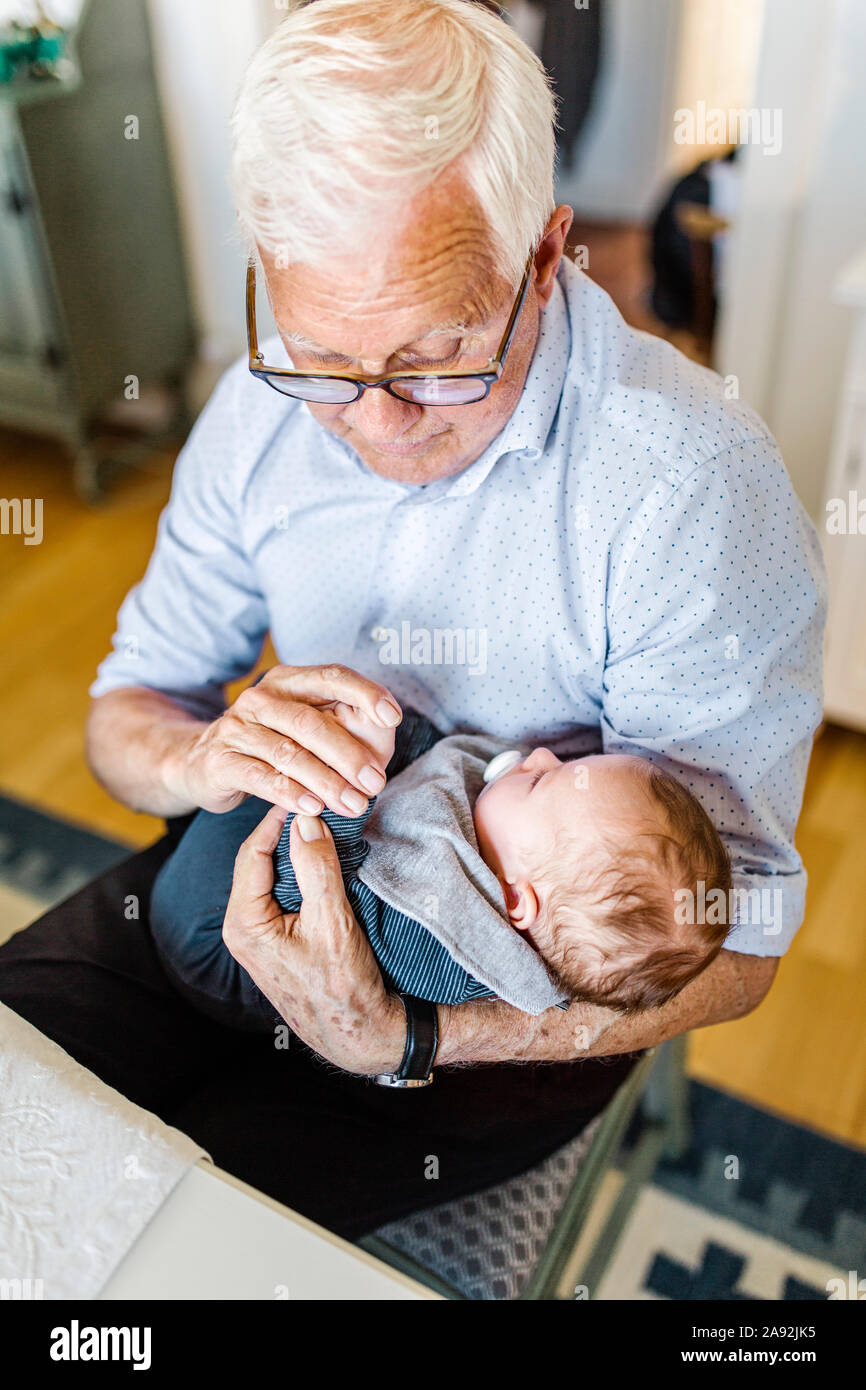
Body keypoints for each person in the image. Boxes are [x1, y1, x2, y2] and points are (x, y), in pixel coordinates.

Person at [0, 0, 825, 1239]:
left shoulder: (684, 490)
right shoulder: (254, 408)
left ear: (545, 257)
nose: (379, 427)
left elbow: (738, 945)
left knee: (185, 1249)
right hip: (254, 878)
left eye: (437, 359)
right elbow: (129, 712)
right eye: (325, 360)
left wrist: (413, 1032)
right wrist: (197, 755)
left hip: (483, 1008)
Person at [149, 699, 732, 1032]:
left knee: (278, 743)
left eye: (543, 781)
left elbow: (335, 897)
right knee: (281, 731)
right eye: (572, 762)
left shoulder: (446, 945)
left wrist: (358, 787)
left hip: (211, 934)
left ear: (513, 901)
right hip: (244, 889)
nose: (544, 754)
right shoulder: (500, 841)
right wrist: (401, 737)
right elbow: (438, 769)